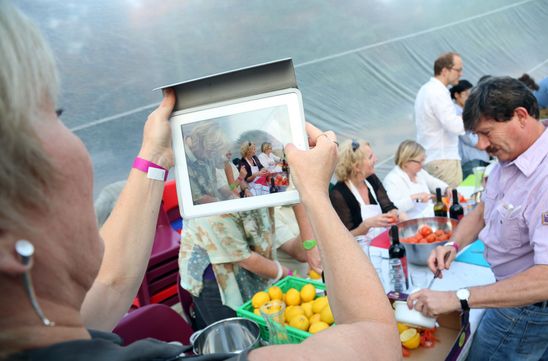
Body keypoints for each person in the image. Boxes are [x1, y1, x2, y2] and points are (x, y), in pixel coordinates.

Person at [1, 3, 402, 360]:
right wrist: (314, 192)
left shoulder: (42, 325)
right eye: (54, 112)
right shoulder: (221, 179)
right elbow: (376, 340)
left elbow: (110, 281)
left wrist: (155, 158)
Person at [407, 77, 548, 360]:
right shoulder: (508, 159)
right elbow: (484, 210)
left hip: (524, 311)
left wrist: (456, 297)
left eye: (486, 133)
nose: (481, 145)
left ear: (520, 116)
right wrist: (453, 245)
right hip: (509, 296)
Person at [329, 140, 400, 240]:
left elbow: (388, 206)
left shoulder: (371, 179)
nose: (376, 159)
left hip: (382, 241)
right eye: (370, 157)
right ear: (357, 166)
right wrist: (366, 225)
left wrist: (393, 213)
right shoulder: (339, 194)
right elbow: (344, 237)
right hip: (359, 250)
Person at [415, 52, 465, 188]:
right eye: (458, 70)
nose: (461, 74)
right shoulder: (439, 92)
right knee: (452, 203)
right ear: (444, 71)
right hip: (444, 160)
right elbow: (454, 126)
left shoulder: (425, 89)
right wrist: (469, 117)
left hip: (432, 157)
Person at [383, 140, 448, 219]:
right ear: (405, 161)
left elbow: (433, 182)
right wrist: (414, 198)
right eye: (419, 161)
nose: (422, 164)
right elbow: (392, 208)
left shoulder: (419, 172)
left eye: (423, 160)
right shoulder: (392, 180)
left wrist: (447, 189)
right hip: (412, 222)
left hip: (430, 216)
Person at [451, 79, 490, 178]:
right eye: (466, 94)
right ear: (456, 95)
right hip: (471, 160)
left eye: (471, 94)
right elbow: (465, 134)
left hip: (480, 157)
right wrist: (479, 142)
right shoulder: (455, 111)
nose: (469, 98)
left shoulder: (466, 110)